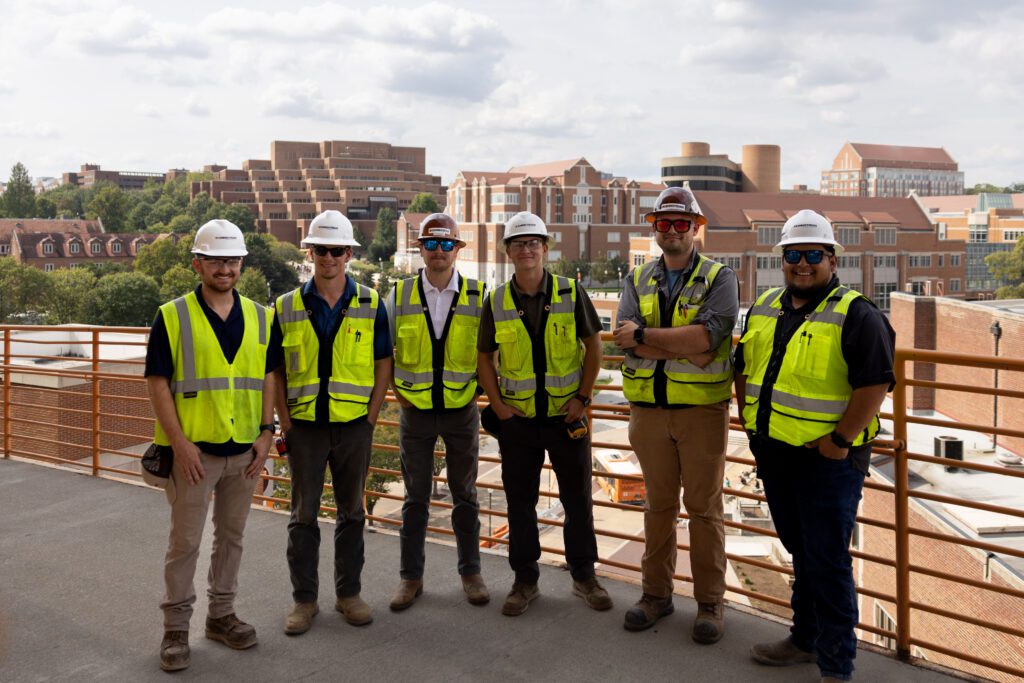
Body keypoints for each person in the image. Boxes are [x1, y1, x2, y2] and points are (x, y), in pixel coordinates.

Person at [734, 209, 895, 683]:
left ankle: (835, 665)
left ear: (831, 259)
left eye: (812, 255)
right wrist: (754, 431)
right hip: (776, 453)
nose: (802, 264)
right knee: (799, 550)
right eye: (793, 255)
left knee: (826, 559)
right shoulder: (765, 306)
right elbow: (744, 366)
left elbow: (875, 384)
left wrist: (840, 440)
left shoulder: (857, 313)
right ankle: (804, 638)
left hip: (829, 461)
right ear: (781, 259)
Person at [145, 219, 276, 672]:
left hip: (244, 449)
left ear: (242, 263)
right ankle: (175, 629)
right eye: (217, 260)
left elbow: (268, 376)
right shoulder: (173, 315)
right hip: (194, 454)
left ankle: (221, 616)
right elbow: (158, 382)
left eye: (233, 260)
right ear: (198, 263)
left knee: (232, 539)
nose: (225, 268)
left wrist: (267, 432)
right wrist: (178, 443)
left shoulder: (262, 315)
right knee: (185, 543)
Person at [612, 186, 738, 644]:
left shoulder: (720, 278)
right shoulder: (637, 279)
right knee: (657, 506)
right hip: (647, 411)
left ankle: (710, 603)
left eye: (680, 223)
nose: (671, 231)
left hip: (701, 413)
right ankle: (655, 595)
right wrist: (680, 342)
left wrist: (646, 336)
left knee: (703, 509)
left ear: (696, 228)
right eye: (662, 224)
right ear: (655, 229)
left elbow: (709, 340)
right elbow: (622, 338)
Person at [477, 211, 611, 617]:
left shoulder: (571, 293)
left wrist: (583, 399)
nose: (527, 249)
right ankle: (525, 580)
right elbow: (484, 358)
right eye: (519, 244)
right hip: (518, 423)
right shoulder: (497, 300)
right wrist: (497, 404)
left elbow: (595, 347)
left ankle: (584, 576)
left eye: (534, 242)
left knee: (577, 500)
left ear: (545, 249)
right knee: (520, 503)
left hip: (566, 420)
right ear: (508, 252)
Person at [271, 210, 392, 635]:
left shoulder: (371, 304)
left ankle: (348, 595)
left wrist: (372, 416)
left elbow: (384, 364)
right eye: (321, 250)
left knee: (352, 514)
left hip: (353, 426)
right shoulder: (286, 306)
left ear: (349, 254)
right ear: (310, 252)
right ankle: (304, 602)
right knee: (303, 517)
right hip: (304, 428)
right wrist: (285, 422)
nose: (328, 258)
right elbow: (275, 371)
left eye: (336, 250)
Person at [385, 213, 489, 610]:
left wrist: (477, 393)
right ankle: (410, 579)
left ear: (458, 249)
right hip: (416, 412)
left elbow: (490, 354)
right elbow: (384, 353)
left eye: (447, 244)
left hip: (462, 410)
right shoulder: (401, 294)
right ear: (421, 249)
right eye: (431, 244)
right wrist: (401, 394)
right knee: (416, 497)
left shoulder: (480, 296)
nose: (439, 252)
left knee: (465, 494)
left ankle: (471, 572)